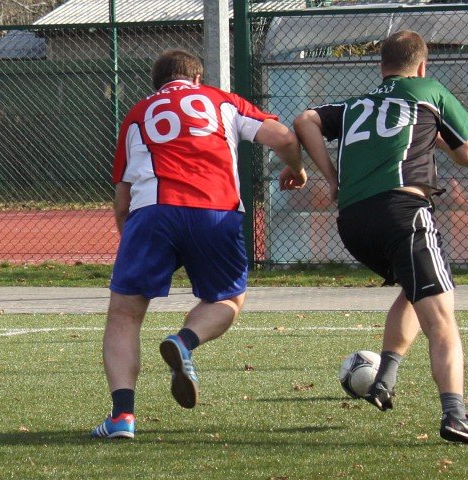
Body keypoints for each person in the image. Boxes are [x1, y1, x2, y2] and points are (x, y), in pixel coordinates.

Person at [293, 30, 468, 444]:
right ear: (422, 66)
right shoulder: (429, 91)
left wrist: (331, 177)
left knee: (413, 289)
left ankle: (383, 380)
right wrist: (436, 135)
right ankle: (455, 415)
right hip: (403, 212)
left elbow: (304, 120)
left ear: (381, 67)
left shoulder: (356, 105)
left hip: (353, 222)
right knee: (442, 319)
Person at [92, 49, 307, 439]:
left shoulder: (138, 113)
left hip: (153, 212)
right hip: (215, 210)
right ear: (197, 78)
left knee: (125, 314)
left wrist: (133, 240)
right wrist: (296, 167)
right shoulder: (220, 100)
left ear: (157, 84)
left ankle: (122, 417)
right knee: (229, 299)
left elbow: (122, 199)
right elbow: (283, 136)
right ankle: (184, 340)